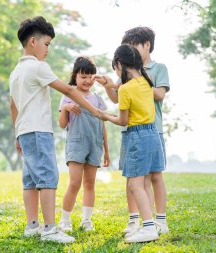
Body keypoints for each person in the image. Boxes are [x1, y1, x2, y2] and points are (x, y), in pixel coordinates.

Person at [9, 16, 102, 244]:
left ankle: (33, 226)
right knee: (48, 177)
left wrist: (17, 134)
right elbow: (69, 91)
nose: (48, 49)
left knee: (30, 179)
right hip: (39, 131)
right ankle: (50, 229)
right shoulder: (38, 67)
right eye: (47, 44)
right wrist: (96, 112)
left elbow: (13, 105)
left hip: (24, 130)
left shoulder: (15, 73)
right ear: (33, 42)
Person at [97, 27, 170, 236]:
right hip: (149, 132)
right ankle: (143, 223)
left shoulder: (139, 81)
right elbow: (120, 98)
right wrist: (111, 86)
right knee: (138, 182)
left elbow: (123, 118)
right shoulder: (142, 81)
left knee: (142, 181)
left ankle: (152, 225)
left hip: (141, 134)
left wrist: (105, 116)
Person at [58, 56, 109, 233]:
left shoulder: (97, 99)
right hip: (76, 143)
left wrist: (107, 151)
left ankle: (86, 220)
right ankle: (65, 220)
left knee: (90, 184)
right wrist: (66, 109)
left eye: (91, 76)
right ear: (75, 76)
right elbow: (62, 124)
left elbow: (102, 126)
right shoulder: (68, 95)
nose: (87, 80)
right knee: (74, 183)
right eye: (83, 76)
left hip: (95, 145)